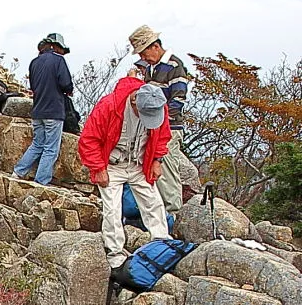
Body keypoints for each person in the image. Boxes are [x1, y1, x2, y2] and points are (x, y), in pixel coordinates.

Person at [78, 77, 172, 270]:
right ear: (135, 101)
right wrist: (98, 168)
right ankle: (115, 253)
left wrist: (157, 160)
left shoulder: (157, 104)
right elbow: (88, 139)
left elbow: (162, 136)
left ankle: (162, 244)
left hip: (139, 164)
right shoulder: (109, 106)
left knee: (153, 202)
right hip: (112, 164)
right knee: (112, 209)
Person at [128, 25, 190, 215]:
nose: (143, 57)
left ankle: (172, 213)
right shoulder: (151, 69)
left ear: (155, 46)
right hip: (154, 126)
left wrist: (161, 123)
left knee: (167, 169)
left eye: (144, 52)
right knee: (152, 169)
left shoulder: (174, 65)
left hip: (169, 127)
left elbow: (178, 99)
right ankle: (159, 212)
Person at [12, 33, 74, 185]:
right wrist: (68, 91)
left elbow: (33, 86)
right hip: (54, 110)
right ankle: (41, 181)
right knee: (51, 148)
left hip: (38, 110)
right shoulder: (59, 61)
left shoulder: (34, 62)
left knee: (38, 143)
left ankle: (18, 171)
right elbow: (66, 84)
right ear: (55, 46)